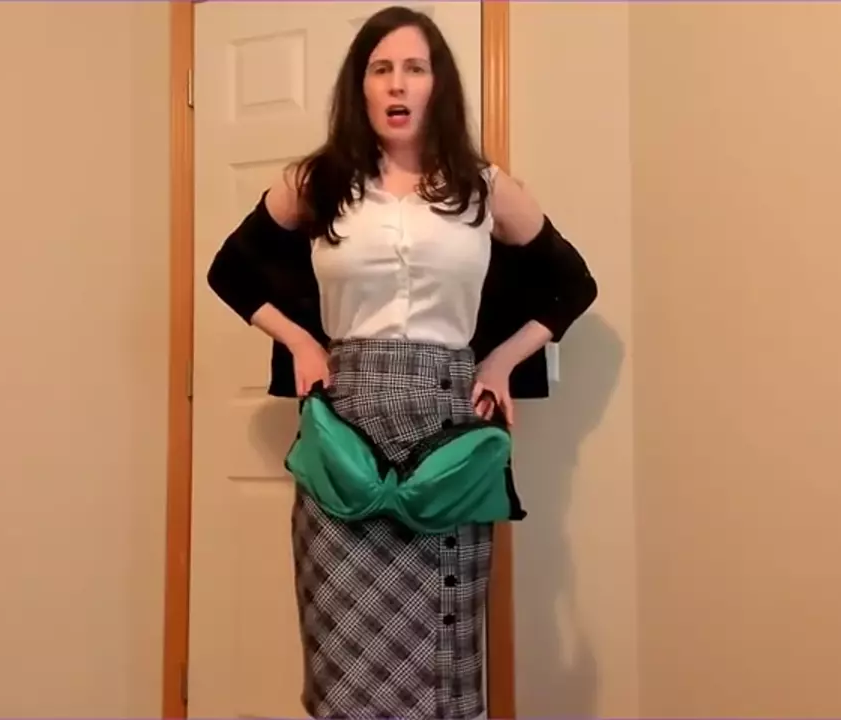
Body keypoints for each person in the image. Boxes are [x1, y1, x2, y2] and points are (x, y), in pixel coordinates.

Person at [206, 6, 597, 719]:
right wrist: (301, 343)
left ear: (436, 84)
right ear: (359, 86)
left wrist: (500, 362)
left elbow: (573, 285)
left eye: (415, 67)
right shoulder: (318, 182)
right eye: (381, 68)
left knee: (443, 674)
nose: (397, 83)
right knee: (345, 670)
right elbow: (229, 271)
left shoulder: (484, 188)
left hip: (447, 438)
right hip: (344, 437)